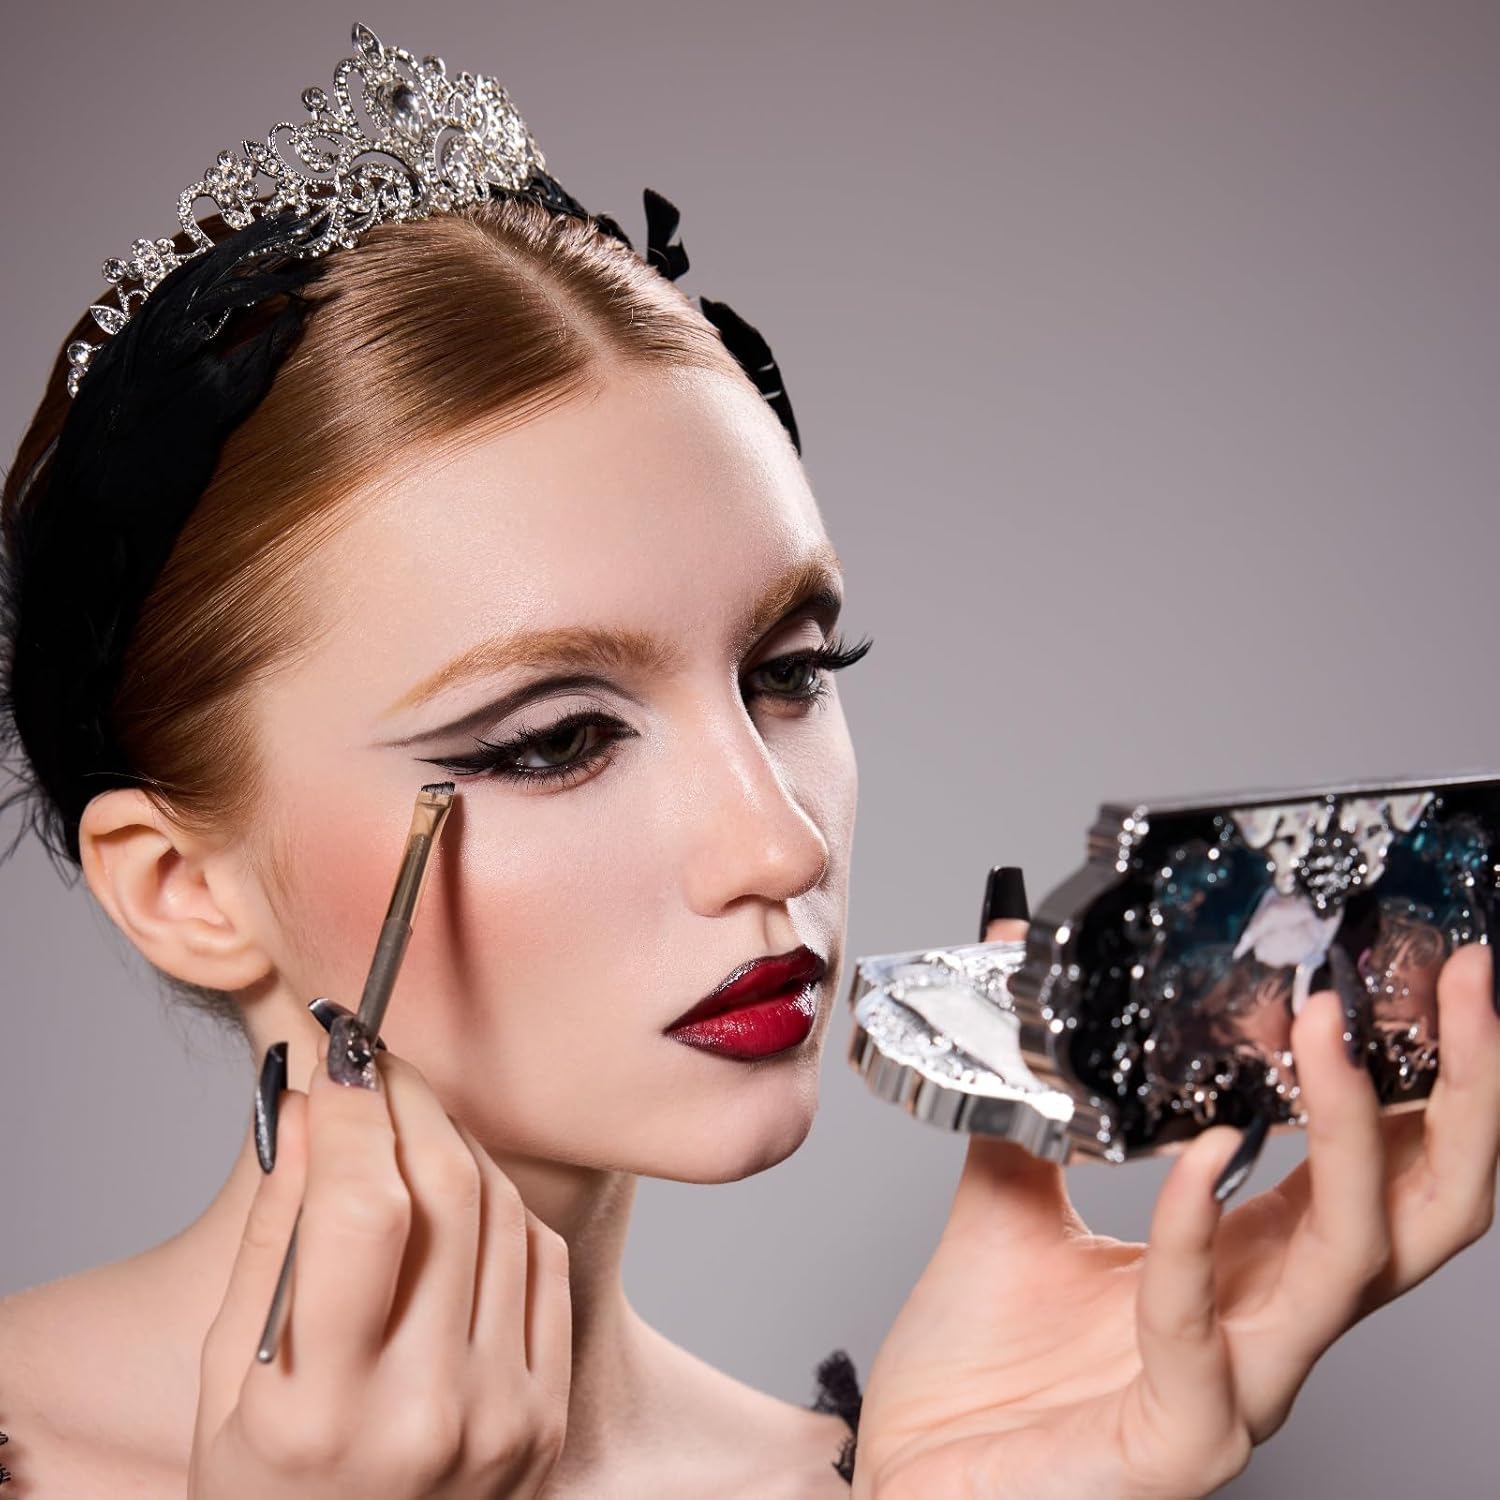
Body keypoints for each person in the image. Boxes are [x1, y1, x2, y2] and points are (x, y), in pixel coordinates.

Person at [2, 25, 1496, 1499]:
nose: (781, 845)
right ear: (183, 886)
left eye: (788, 673)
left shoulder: (890, 1478)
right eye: (556, 740)